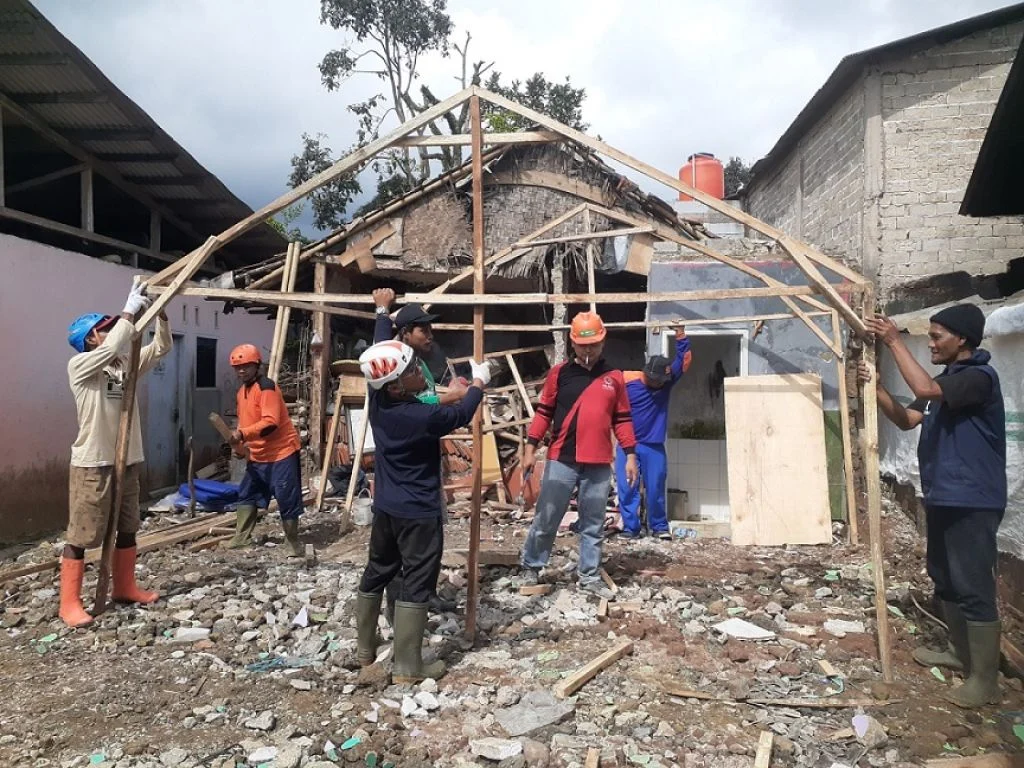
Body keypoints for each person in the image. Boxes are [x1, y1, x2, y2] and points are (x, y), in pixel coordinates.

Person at [862, 304, 1005, 709]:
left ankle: (985, 679)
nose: (930, 343)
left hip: (972, 499)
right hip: (944, 494)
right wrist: (877, 390)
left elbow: (924, 392)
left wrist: (892, 339)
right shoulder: (946, 382)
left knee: (973, 582)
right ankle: (960, 654)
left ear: (962, 339)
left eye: (937, 336)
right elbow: (908, 418)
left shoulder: (977, 379)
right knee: (943, 574)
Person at [353, 340, 490, 683]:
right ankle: (408, 667)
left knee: (378, 569)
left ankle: (365, 650)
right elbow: (460, 414)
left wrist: (383, 313)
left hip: (386, 508)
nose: (420, 373)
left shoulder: (379, 399)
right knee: (417, 579)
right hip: (418, 512)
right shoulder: (419, 416)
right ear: (397, 386)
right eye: (412, 371)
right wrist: (478, 384)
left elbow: (423, 393)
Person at [60, 279, 172, 628]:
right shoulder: (80, 368)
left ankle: (124, 587)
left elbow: (161, 349)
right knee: (82, 534)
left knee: (128, 527)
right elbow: (111, 349)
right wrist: (127, 312)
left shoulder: (123, 365)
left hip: (128, 457)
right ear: (89, 340)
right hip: (93, 463)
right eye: (103, 329)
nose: (110, 332)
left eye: (111, 327)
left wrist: (160, 314)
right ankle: (69, 603)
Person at [519, 311, 638, 600]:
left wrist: (631, 455)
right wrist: (530, 448)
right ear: (573, 343)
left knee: (593, 523)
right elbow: (544, 412)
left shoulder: (614, 378)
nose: (588, 350)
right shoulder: (559, 374)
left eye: (594, 344)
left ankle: (589, 575)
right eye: (583, 345)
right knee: (547, 516)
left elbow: (621, 418)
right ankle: (531, 566)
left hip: (598, 462)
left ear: (603, 342)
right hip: (562, 458)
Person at [372, 287, 464, 616]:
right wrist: (458, 397)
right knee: (418, 542)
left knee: (413, 544)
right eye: (423, 329)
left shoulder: (414, 366)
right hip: (410, 478)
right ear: (405, 333)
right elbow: (421, 407)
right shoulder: (397, 371)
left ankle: (418, 594)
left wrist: (383, 313)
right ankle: (409, 601)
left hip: (412, 467)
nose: (430, 335)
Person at [227, 344, 305, 557]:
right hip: (258, 454)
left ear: (256, 365)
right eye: (237, 367)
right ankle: (241, 538)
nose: (241, 371)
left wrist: (242, 435)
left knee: (286, 497)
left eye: (246, 366)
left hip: (282, 452)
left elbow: (270, 423)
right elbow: (245, 422)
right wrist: (241, 446)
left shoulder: (266, 388)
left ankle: (293, 543)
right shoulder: (242, 392)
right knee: (247, 494)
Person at [617, 326, 692, 540]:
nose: (658, 384)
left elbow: (684, 360)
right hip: (627, 445)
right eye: (654, 380)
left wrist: (680, 335)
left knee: (656, 487)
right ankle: (631, 529)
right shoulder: (627, 380)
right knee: (627, 487)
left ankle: (659, 527)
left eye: (661, 381)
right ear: (647, 373)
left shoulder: (666, 383)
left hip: (654, 445)